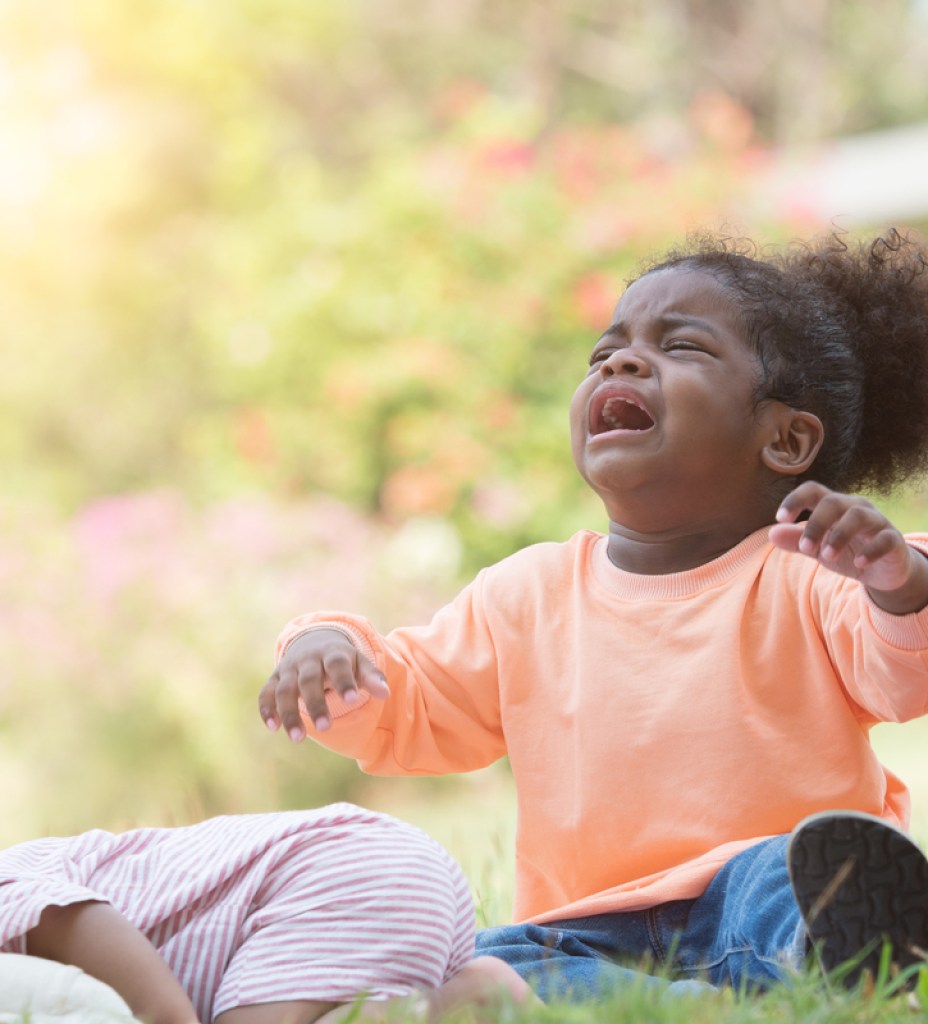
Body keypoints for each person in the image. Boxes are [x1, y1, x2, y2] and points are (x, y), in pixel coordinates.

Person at [260, 229, 928, 998]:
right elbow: (408, 704)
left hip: (757, 893)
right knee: (476, 966)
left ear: (783, 438)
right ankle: (716, 1004)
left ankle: (840, 951)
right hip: (583, 927)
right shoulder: (525, 595)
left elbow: (902, 674)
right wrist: (327, 644)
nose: (620, 361)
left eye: (683, 347)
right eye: (604, 352)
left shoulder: (809, 571)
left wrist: (897, 575)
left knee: (796, 874)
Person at [0, 803, 532, 1024]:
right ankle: (461, 996)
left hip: (335, 873)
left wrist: (174, 1022)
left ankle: (462, 1001)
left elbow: (80, 917)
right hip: (369, 872)